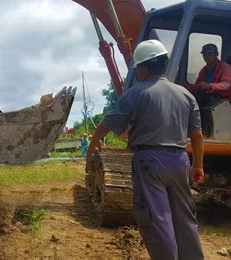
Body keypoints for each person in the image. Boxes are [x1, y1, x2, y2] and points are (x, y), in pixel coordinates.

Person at [87, 40, 205, 260]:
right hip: (180, 160)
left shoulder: (135, 93)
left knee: (156, 218)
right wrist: (197, 165)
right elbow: (197, 135)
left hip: (149, 161)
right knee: (184, 217)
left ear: (143, 69)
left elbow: (110, 123)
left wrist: (94, 142)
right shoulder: (186, 95)